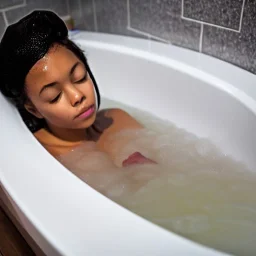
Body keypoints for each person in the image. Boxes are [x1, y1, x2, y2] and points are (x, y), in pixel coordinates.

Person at [0, 10, 156, 175]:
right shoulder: (41, 156)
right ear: (34, 109)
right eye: (54, 96)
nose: (77, 96)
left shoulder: (118, 120)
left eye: (79, 77)